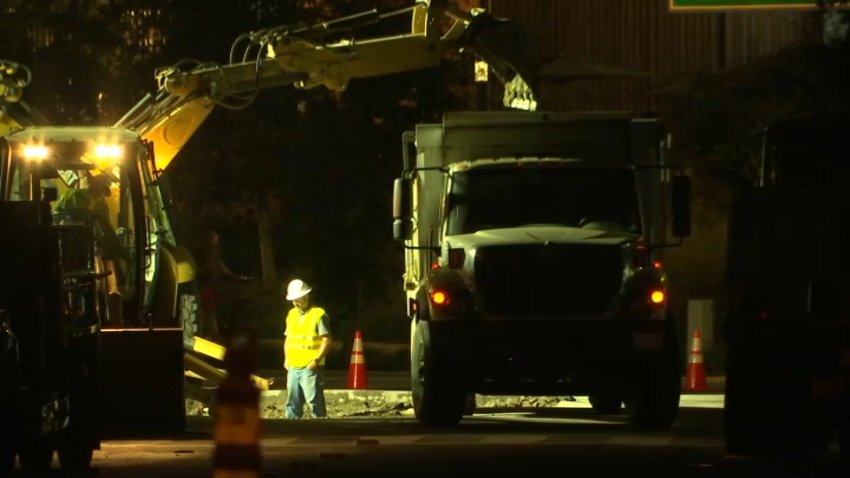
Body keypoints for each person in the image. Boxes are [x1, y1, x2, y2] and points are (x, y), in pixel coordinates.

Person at [55, 173, 126, 293]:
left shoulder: (68, 196)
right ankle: (114, 293)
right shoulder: (93, 203)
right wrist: (120, 252)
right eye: (102, 192)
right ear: (98, 189)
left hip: (61, 247)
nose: (102, 196)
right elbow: (105, 230)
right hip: (84, 248)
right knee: (109, 262)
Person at [283, 278, 331, 419]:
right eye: (293, 300)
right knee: (292, 401)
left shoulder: (318, 314)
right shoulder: (291, 314)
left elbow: (327, 340)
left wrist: (316, 360)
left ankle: (320, 424)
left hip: (311, 366)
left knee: (314, 401)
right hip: (293, 366)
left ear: (306, 296)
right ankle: (292, 425)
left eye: (298, 299)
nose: (295, 302)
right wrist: (287, 359)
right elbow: (288, 339)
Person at [195, 229, 239, 340]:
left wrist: (231, 275)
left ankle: (211, 332)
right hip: (208, 284)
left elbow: (219, 266)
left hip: (209, 284)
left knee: (208, 309)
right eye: (214, 239)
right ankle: (212, 332)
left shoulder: (207, 252)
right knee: (208, 310)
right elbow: (218, 266)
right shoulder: (208, 253)